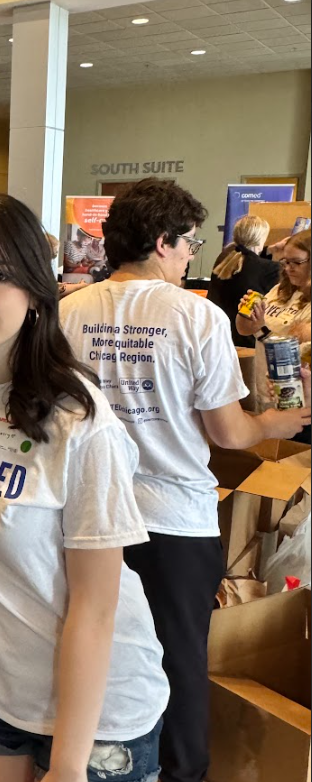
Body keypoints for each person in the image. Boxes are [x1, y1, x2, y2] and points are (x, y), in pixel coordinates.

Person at [59, 178, 310, 782]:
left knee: (90, 646)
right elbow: (228, 433)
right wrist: (278, 419)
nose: (190, 256)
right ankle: (180, 772)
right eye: (189, 243)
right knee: (179, 658)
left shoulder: (66, 311)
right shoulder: (196, 315)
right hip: (173, 516)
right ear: (163, 240)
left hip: (85, 512)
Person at [0, 193, 169, 782]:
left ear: (34, 291)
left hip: (98, 711)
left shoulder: (78, 421)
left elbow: (97, 607)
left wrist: (70, 765)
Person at [236, 228, 311, 412]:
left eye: (297, 262)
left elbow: (290, 349)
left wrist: (261, 329)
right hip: (265, 387)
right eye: (285, 261)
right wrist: (246, 314)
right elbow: (245, 330)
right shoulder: (279, 290)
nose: (288, 268)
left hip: (297, 397)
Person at [208, 215, 279, 347]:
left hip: (217, 337)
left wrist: (269, 250)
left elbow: (248, 257)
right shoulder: (270, 269)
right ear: (261, 238)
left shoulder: (224, 259)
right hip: (248, 341)